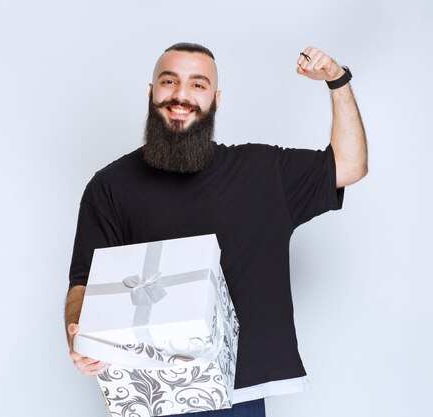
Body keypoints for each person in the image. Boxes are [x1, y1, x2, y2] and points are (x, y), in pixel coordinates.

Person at [65, 42, 367, 417]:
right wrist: (77, 337)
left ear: (216, 100)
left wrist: (338, 81)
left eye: (198, 85)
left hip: (237, 397)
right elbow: (84, 281)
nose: (181, 95)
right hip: (148, 394)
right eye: (169, 81)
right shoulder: (109, 186)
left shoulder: (261, 172)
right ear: (151, 92)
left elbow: (349, 165)